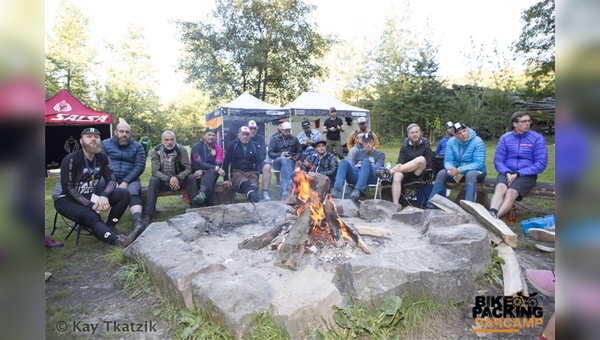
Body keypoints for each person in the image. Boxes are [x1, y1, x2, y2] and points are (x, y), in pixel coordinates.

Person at [52, 127, 142, 247]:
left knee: (123, 194)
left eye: (96, 137)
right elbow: (68, 188)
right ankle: (117, 240)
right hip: (65, 199)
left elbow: (111, 180)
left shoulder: (102, 158)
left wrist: (104, 196)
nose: (93, 139)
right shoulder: (71, 159)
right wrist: (91, 205)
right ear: (81, 141)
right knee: (91, 215)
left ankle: (110, 226)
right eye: (89, 137)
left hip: (89, 194)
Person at [489, 111, 548, 218]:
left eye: (529, 121)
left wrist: (518, 173)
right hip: (507, 171)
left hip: (526, 174)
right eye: (524, 121)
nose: (527, 124)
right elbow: (498, 160)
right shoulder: (505, 138)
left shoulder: (537, 138)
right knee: (500, 188)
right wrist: (506, 172)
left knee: (511, 193)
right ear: (515, 124)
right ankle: (492, 213)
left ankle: (494, 219)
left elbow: (541, 163)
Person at [142, 130, 197, 226]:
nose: (169, 142)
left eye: (172, 140)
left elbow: (188, 168)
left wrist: (177, 178)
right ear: (162, 141)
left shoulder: (181, 150)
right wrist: (169, 179)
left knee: (191, 178)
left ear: (175, 140)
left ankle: (194, 209)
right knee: (153, 180)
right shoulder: (156, 151)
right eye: (166, 140)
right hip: (163, 180)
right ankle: (149, 214)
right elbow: (155, 171)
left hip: (179, 179)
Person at [101, 122, 147, 232]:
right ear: (116, 132)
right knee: (98, 188)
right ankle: (90, 218)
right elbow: (101, 163)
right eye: (121, 131)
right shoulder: (105, 144)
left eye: (127, 132)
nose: (124, 134)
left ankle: (137, 221)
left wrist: (126, 181)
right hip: (108, 178)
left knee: (133, 192)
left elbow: (140, 166)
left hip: (131, 179)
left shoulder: (138, 146)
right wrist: (112, 180)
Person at [428, 122, 486, 203]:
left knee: (470, 175)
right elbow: (448, 160)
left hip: (477, 171)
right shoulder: (451, 142)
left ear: (467, 131)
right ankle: (432, 204)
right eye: (459, 133)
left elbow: (479, 163)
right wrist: (450, 168)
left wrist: (459, 170)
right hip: (458, 172)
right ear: (455, 135)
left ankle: (469, 207)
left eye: (464, 131)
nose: (463, 134)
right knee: (441, 173)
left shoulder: (477, 141)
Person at [330, 132, 384, 202]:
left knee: (366, 162)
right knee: (343, 162)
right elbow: (351, 166)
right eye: (366, 142)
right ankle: (336, 189)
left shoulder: (379, 154)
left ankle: (358, 190)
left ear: (373, 142)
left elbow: (377, 169)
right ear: (362, 143)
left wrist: (362, 165)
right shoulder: (358, 153)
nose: (368, 144)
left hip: (370, 177)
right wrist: (360, 167)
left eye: (370, 142)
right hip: (356, 176)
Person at [388, 124, 433, 205]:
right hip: (406, 174)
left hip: (420, 175)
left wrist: (415, 166)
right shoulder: (404, 148)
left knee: (421, 159)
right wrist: (399, 166)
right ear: (408, 135)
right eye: (412, 133)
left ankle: (389, 172)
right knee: (397, 175)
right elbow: (400, 162)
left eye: (416, 132)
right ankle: (395, 205)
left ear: (420, 133)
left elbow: (429, 166)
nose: (415, 134)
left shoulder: (426, 148)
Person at [222, 126, 262, 202]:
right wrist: (226, 179)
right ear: (238, 135)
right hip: (237, 171)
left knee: (254, 183)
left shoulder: (255, 146)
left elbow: (258, 162)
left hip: (251, 172)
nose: (245, 136)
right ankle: (254, 197)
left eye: (247, 134)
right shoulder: (232, 145)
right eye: (243, 134)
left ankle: (253, 197)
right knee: (244, 182)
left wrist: (257, 174)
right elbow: (226, 162)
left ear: (250, 135)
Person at [190, 127, 225, 207]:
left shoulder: (218, 149)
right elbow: (198, 163)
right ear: (204, 136)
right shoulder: (196, 147)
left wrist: (204, 171)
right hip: (197, 176)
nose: (211, 137)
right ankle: (208, 204)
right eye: (209, 135)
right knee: (210, 184)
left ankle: (202, 195)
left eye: (213, 135)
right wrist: (216, 168)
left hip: (210, 175)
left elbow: (218, 165)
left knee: (212, 173)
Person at [268, 121, 302, 201]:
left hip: (291, 161)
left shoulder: (294, 139)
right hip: (277, 161)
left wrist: (297, 156)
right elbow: (270, 153)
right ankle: (291, 185)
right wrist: (280, 154)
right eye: (286, 131)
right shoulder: (274, 139)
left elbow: (299, 151)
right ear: (281, 130)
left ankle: (284, 194)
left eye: (289, 131)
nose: (287, 133)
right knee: (283, 160)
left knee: (286, 167)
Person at [248, 120, 271, 201]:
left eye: (254, 129)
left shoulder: (260, 138)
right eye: (250, 129)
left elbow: (263, 153)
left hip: (258, 161)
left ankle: (265, 192)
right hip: (246, 163)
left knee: (267, 166)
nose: (252, 130)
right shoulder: (243, 137)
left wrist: (256, 161)